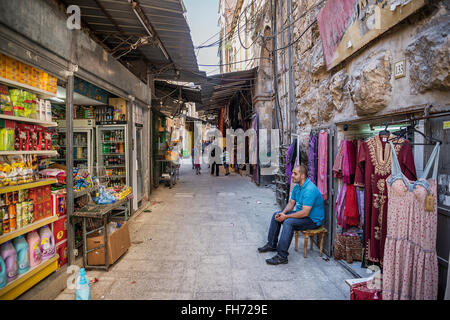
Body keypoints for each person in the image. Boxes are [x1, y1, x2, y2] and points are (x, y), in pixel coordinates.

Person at [258, 165, 325, 265]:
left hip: (312, 220)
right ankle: (272, 244)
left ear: (302, 176)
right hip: (304, 215)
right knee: (276, 215)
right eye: (292, 173)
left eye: (295, 174)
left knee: (288, 222)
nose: (292, 175)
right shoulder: (297, 187)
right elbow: (291, 203)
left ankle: (282, 256)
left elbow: (305, 212)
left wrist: (287, 217)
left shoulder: (310, 189)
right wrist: (283, 213)